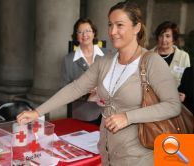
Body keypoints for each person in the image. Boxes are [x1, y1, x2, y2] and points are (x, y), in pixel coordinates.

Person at [17, 1, 181, 165]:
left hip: (138, 156)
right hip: (106, 152)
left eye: (119, 25)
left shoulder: (152, 61)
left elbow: (173, 105)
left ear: (137, 28)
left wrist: (128, 117)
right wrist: (37, 112)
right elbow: (75, 88)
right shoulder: (105, 61)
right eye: (110, 25)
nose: (112, 31)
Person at [62, 18, 107, 125]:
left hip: (109, 112)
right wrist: (85, 92)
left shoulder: (108, 54)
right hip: (84, 113)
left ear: (94, 33)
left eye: (88, 31)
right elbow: (63, 89)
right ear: (76, 36)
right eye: (80, 32)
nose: (84, 34)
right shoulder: (68, 60)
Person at [151, 21, 190, 86]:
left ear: (174, 39)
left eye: (167, 36)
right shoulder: (148, 55)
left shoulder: (183, 56)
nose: (164, 40)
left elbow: (188, 81)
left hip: (176, 95)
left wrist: (184, 94)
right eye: (161, 36)